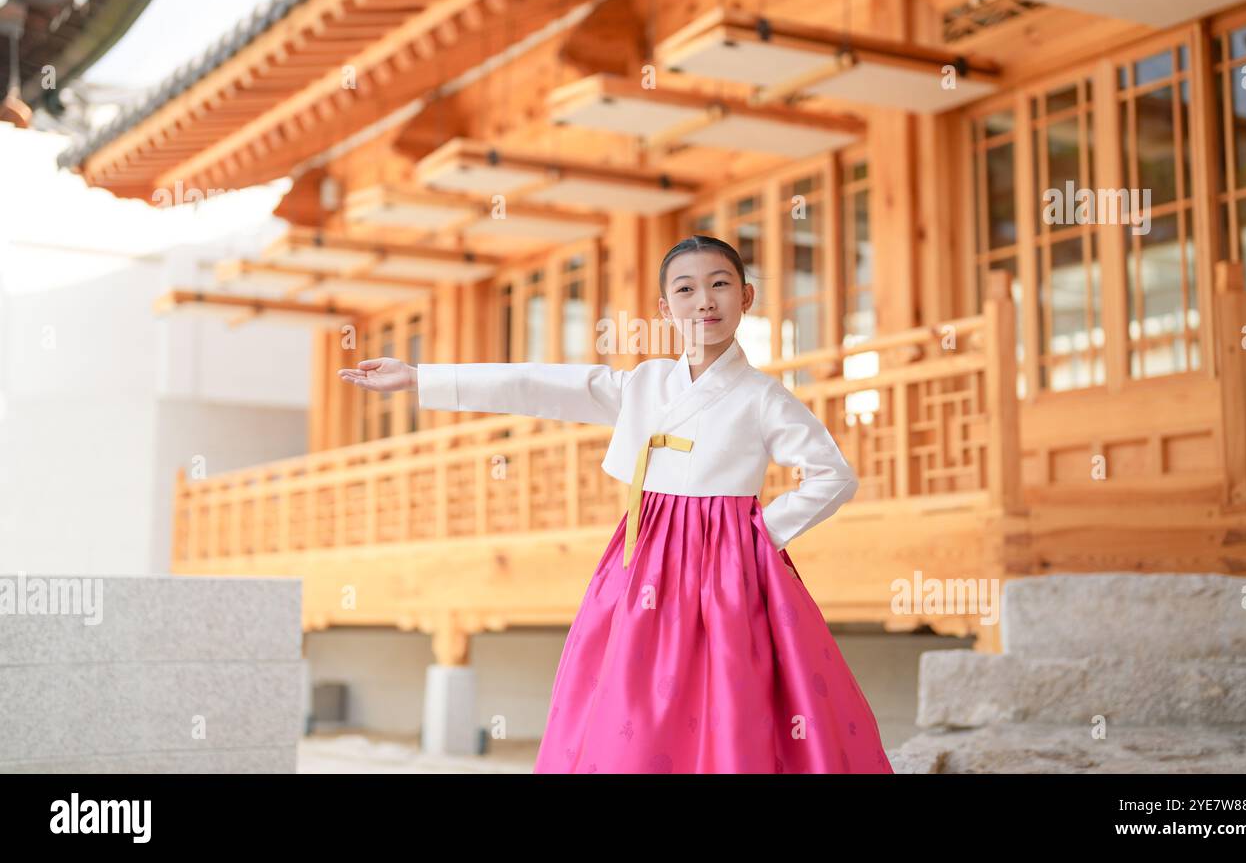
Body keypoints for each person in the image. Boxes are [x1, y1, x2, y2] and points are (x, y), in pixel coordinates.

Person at [338, 234, 893, 774]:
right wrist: (421, 378)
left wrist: (756, 534)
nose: (705, 300)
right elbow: (538, 384)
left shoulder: (763, 397)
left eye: (720, 284)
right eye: (686, 290)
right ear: (664, 306)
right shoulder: (646, 384)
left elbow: (832, 476)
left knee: (727, 689)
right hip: (644, 558)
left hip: (727, 569)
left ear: (745, 297)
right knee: (628, 689)